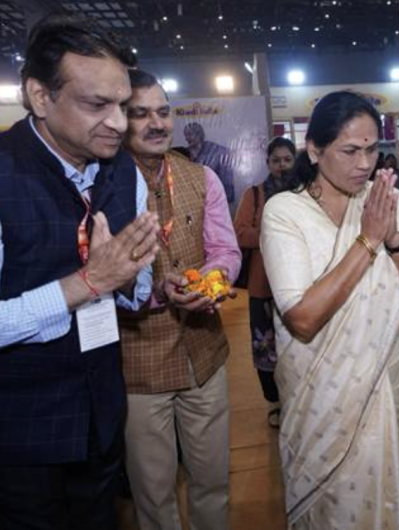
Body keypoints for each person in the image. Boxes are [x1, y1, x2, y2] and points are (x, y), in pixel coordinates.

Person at [0, 14, 161, 529]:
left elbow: (129, 293)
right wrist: (88, 282)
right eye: (98, 105)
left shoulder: (121, 169)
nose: (119, 123)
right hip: (20, 436)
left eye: (123, 105)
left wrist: (144, 282)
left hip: (102, 417)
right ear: (41, 97)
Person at [260, 91, 399, 529]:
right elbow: (302, 317)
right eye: (351, 150)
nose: (365, 163)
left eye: (373, 149)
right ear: (315, 150)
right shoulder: (285, 212)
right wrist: (369, 240)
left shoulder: (381, 202)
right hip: (318, 401)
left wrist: (394, 240)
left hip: (376, 388)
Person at [119, 70, 241, 530]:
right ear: (120, 119)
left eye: (163, 112)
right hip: (139, 364)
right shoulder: (103, 185)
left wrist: (212, 280)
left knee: (213, 482)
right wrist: (155, 289)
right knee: (154, 493)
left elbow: (226, 251)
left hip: (203, 355)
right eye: (141, 113)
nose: (156, 123)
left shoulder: (200, 176)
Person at [234, 136, 296, 427]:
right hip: (263, 287)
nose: (281, 165)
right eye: (276, 160)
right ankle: (274, 402)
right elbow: (239, 233)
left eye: (286, 159)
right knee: (265, 349)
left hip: (299, 286)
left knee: (297, 347)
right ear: (267, 163)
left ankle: (296, 401)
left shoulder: (304, 192)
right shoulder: (255, 195)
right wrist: (274, 233)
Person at [184, 121, 236, 204]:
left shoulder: (218, 152)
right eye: (186, 135)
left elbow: (228, 189)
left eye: (190, 134)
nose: (187, 138)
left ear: (199, 135)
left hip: (215, 203)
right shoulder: (184, 153)